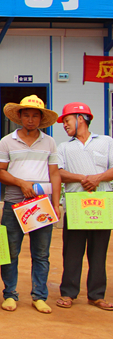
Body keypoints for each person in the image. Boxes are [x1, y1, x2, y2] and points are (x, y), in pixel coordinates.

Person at [0, 95, 62, 314]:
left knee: (41, 254)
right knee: (11, 251)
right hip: (14, 203)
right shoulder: (7, 141)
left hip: (41, 204)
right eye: (26, 115)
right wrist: (21, 183)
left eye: (35, 115)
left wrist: (56, 203)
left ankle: (39, 296)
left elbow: (55, 174)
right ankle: (10, 294)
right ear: (19, 117)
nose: (30, 119)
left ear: (41, 118)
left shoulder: (49, 142)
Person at [55, 102, 113, 311]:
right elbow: (58, 173)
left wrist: (98, 178)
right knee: (72, 251)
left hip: (101, 205)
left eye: (67, 120)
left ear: (81, 118)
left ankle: (96, 295)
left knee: (99, 252)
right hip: (75, 205)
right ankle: (68, 293)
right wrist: (83, 178)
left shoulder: (106, 142)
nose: (64, 125)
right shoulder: (64, 147)